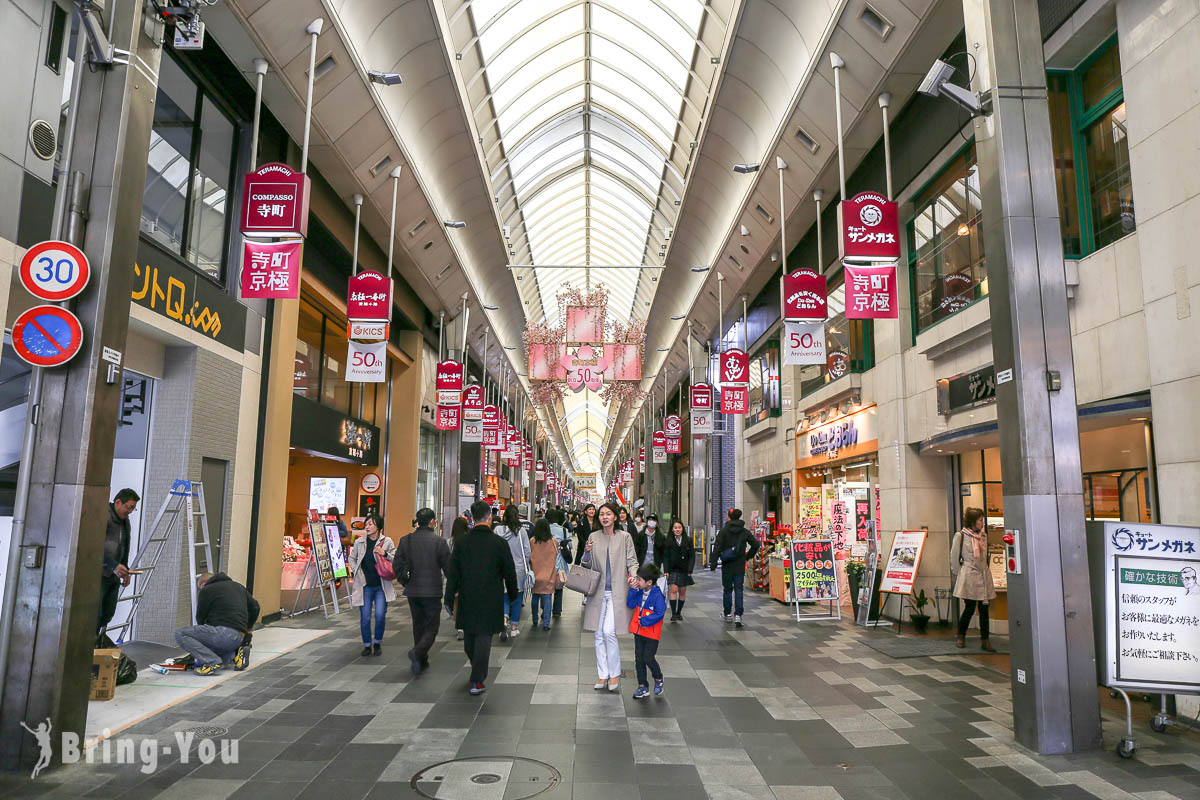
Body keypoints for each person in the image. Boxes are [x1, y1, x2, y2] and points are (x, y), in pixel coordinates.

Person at [445, 500, 518, 695]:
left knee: (470, 636)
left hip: (467, 596)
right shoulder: (499, 543)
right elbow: (509, 571)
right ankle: (478, 679)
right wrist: (512, 594)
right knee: (484, 638)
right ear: (489, 517)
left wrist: (449, 597)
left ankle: (476, 672)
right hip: (491, 596)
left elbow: (453, 572)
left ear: (472, 518)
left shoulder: (461, 543)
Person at [582, 502, 639, 691]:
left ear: (615, 516)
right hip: (598, 592)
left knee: (608, 632)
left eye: (608, 514)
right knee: (598, 634)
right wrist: (587, 552)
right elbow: (586, 564)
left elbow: (632, 560)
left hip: (618, 592)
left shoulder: (625, 537)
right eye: (601, 514)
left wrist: (634, 576)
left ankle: (614, 674)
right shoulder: (593, 537)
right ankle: (602, 675)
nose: (604, 517)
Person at [393, 508, 450, 676]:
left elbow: (396, 564)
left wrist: (404, 581)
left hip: (413, 591)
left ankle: (420, 660)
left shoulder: (406, 541)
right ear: (432, 521)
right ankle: (418, 652)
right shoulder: (439, 542)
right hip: (432, 591)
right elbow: (449, 568)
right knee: (432, 626)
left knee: (418, 625)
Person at [175, 572, 260, 675]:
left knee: (181, 633)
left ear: (203, 583)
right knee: (215, 653)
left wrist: (200, 643)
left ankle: (211, 662)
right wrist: (249, 626)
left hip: (222, 634)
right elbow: (255, 607)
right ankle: (236, 655)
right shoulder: (238, 586)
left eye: (200, 588)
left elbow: (200, 618)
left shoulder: (207, 590)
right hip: (239, 638)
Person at [349, 514, 396, 656]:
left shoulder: (387, 541)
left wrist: (385, 553)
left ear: (378, 527)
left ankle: (377, 642)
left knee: (380, 615)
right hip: (365, 585)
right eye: (366, 524)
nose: (367, 527)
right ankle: (367, 644)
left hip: (382, 585)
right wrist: (356, 570)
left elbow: (396, 559)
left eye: (371, 524)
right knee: (365, 616)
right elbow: (352, 558)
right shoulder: (360, 542)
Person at [951, 507, 996, 651]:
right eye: (980, 520)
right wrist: (960, 575)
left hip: (983, 575)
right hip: (969, 575)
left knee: (984, 609)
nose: (982, 522)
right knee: (969, 608)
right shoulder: (961, 536)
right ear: (973, 521)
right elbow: (954, 557)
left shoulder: (983, 536)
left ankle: (985, 640)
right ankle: (961, 635)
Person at [99, 489, 139, 638]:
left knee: (108, 613)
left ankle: (98, 647)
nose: (129, 511)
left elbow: (125, 546)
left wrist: (125, 569)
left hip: (113, 575)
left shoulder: (124, 520)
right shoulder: (103, 517)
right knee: (96, 614)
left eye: (133, 509)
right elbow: (93, 547)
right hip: (100, 574)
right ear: (117, 502)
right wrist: (113, 565)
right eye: (128, 507)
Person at [710, 508, 759, 627]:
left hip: (727, 564)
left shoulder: (723, 531)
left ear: (730, 517)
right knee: (739, 589)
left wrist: (713, 563)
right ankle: (738, 615)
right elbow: (756, 544)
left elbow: (717, 547)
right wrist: (748, 556)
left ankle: (727, 614)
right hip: (740, 564)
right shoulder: (744, 531)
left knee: (727, 589)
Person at [626, 563, 667, 698]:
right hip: (639, 632)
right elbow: (630, 604)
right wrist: (633, 589)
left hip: (651, 634)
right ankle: (642, 686)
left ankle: (658, 677)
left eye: (639, 579)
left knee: (648, 658)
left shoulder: (657, 595)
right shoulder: (640, 592)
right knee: (639, 659)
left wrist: (644, 621)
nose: (637, 581)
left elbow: (660, 613)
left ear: (649, 582)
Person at [495, 505, 532, 638]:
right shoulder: (520, 531)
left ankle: (504, 620)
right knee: (517, 597)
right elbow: (527, 551)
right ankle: (514, 628)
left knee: (503, 596)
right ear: (516, 516)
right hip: (518, 569)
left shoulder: (497, 530)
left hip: (501, 568)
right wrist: (526, 563)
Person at [529, 519, 561, 631]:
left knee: (535, 598)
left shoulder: (532, 541)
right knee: (547, 600)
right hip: (549, 575)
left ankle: (534, 619)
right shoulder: (553, 541)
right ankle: (546, 623)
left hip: (535, 575)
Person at [661, 519, 695, 621]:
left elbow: (692, 556)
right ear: (672, 529)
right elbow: (665, 557)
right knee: (673, 590)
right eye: (675, 528)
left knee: (682, 591)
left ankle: (679, 612)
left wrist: (690, 570)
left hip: (684, 570)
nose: (677, 529)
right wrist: (666, 570)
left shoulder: (688, 540)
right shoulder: (668, 541)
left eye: (679, 527)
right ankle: (674, 614)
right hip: (672, 569)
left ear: (682, 529)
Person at [547, 509, 571, 617]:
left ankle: (545, 609)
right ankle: (557, 610)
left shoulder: (544, 530)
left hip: (546, 561)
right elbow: (571, 546)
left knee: (546, 587)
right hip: (560, 561)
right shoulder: (564, 530)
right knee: (559, 585)